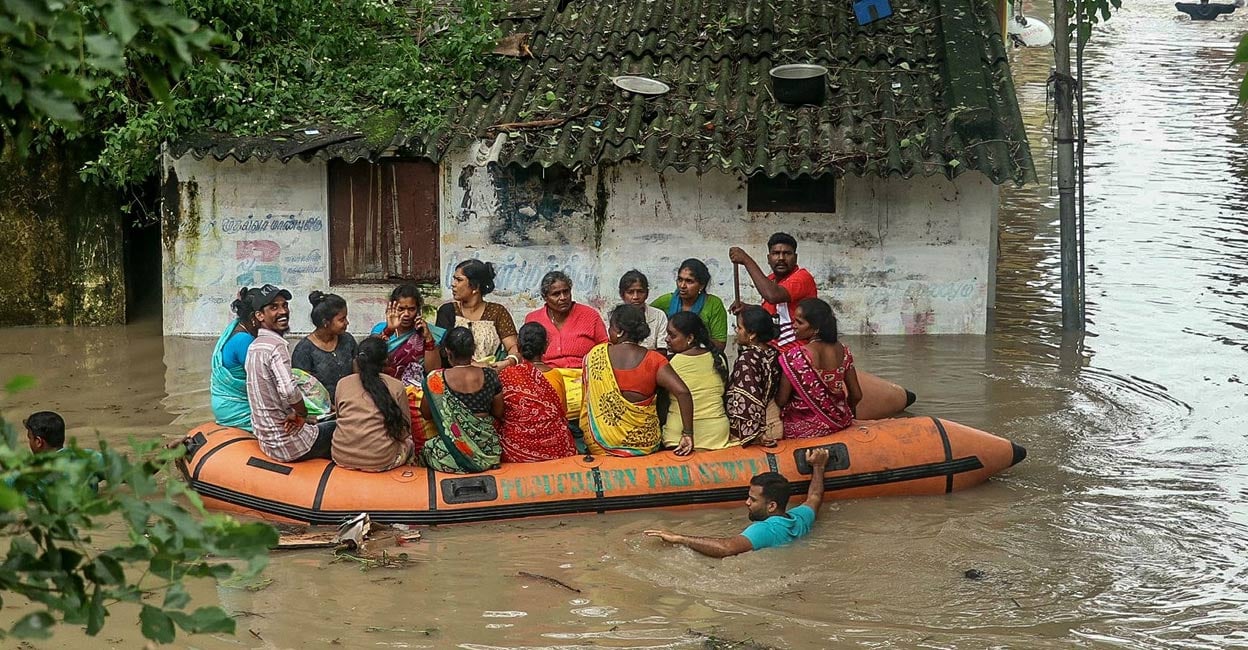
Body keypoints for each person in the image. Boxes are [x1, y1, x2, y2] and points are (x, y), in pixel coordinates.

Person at [644, 448, 832, 557]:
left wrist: (679, 538)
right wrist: (818, 466)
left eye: (753, 499)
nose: (747, 502)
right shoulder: (800, 518)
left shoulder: (765, 530)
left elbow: (727, 548)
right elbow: (815, 496)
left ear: (772, 506)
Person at [580, 304, 695, 457]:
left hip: (603, 441)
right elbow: (683, 392)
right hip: (643, 444)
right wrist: (687, 433)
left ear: (620, 331)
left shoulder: (595, 355)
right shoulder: (654, 360)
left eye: (611, 328)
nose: (609, 332)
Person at [245, 284, 336, 462]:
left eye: (284, 305)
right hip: (290, 443)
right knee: (343, 426)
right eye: (274, 307)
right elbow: (288, 390)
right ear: (260, 315)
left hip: (268, 441)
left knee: (322, 419)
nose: (282, 311)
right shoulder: (276, 346)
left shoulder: (254, 346)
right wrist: (301, 414)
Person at [524, 271, 608, 420]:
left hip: (584, 379)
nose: (563, 298)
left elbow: (604, 349)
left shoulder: (590, 315)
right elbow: (527, 354)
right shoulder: (533, 319)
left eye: (566, 292)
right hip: (547, 379)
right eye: (556, 294)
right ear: (545, 297)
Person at [420, 327, 503, 473]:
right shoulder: (490, 375)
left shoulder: (435, 379)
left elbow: (426, 414)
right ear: (473, 350)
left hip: (451, 455)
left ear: (447, 351)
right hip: (488, 450)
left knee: (428, 448)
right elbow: (499, 412)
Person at [776, 298, 862, 438]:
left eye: (799, 322)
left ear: (816, 328)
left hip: (803, 429)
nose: (794, 326)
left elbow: (781, 400)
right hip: (840, 423)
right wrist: (843, 414)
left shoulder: (795, 356)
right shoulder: (844, 351)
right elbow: (857, 395)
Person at [497, 323, 577, 462]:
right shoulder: (555, 375)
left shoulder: (506, 375)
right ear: (545, 346)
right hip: (557, 448)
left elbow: (500, 413)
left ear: (519, 346)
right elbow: (562, 412)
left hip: (517, 448)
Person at [331, 337, 414, 472]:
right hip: (381, 461)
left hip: (341, 457)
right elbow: (404, 431)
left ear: (357, 360)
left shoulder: (343, 383)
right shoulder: (396, 386)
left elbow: (340, 417)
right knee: (409, 442)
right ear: (386, 361)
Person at [728, 232, 818, 351]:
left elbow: (773, 295)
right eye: (776, 253)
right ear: (768, 258)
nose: (781, 258)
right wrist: (746, 308)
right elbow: (769, 316)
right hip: (774, 351)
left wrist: (746, 260)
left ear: (795, 258)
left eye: (787, 253)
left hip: (799, 353)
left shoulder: (802, 277)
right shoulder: (770, 280)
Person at [661, 312, 732, 450]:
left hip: (679, 436)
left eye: (672, 335)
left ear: (690, 338)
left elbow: (662, 403)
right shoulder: (719, 358)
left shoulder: (670, 363)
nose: (667, 339)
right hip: (717, 435)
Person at [435, 260, 520, 367]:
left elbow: (513, 346)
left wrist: (507, 362)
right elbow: (443, 350)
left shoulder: (497, 312)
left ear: (475, 287)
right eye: (454, 279)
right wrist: (473, 365)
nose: (453, 284)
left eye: (459, 280)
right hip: (455, 376)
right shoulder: (448, 311)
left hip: (491, 374)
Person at [725, 306, 784, 447]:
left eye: (739, 328)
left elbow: (748, 399)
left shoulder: (747, 359)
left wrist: (756, 433)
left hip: (756, 432)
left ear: (752, 334)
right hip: (774, 421)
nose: (736, 332)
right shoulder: (774, 353)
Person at [210, 287, 263, 430]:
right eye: (271, 309)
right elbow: (262, 383)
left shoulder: (235, 327)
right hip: (237, 408)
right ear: (254, 317)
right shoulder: (244, 340)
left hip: (224, 404)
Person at [370, 284, 442, 386]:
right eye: (401, 309)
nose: (406, 314)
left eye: (411, 309)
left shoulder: (430, 332)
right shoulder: (380, 329)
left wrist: (428, 338)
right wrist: (388, 330)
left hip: (416, 393)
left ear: (418, 310)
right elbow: (369, 360)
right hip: (385, 388)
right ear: (392, 308)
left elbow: (433, 372)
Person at [292, 291, 358, 401]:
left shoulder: (347, 340)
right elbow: (304, 390)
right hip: (322, 412)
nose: (347, 323)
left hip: (350, 405)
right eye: (342, 319)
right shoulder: (304, 350)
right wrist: (328, 407)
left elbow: (358, 373)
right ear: (325, 322)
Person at [650, 259, 728, 349]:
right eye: (680, 280)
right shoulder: (665, 301)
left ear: (702, 285)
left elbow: (720, 344)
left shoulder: (714, 304)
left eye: (689, 281)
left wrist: (695, 341)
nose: (682, 286)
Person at [618, 269, 667, 352]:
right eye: (630, 292)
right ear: (622, 294)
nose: (635, 297)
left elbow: (663, 349)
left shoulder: (659, 316)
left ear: (647, 293)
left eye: (640, 292)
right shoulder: (614, 318)